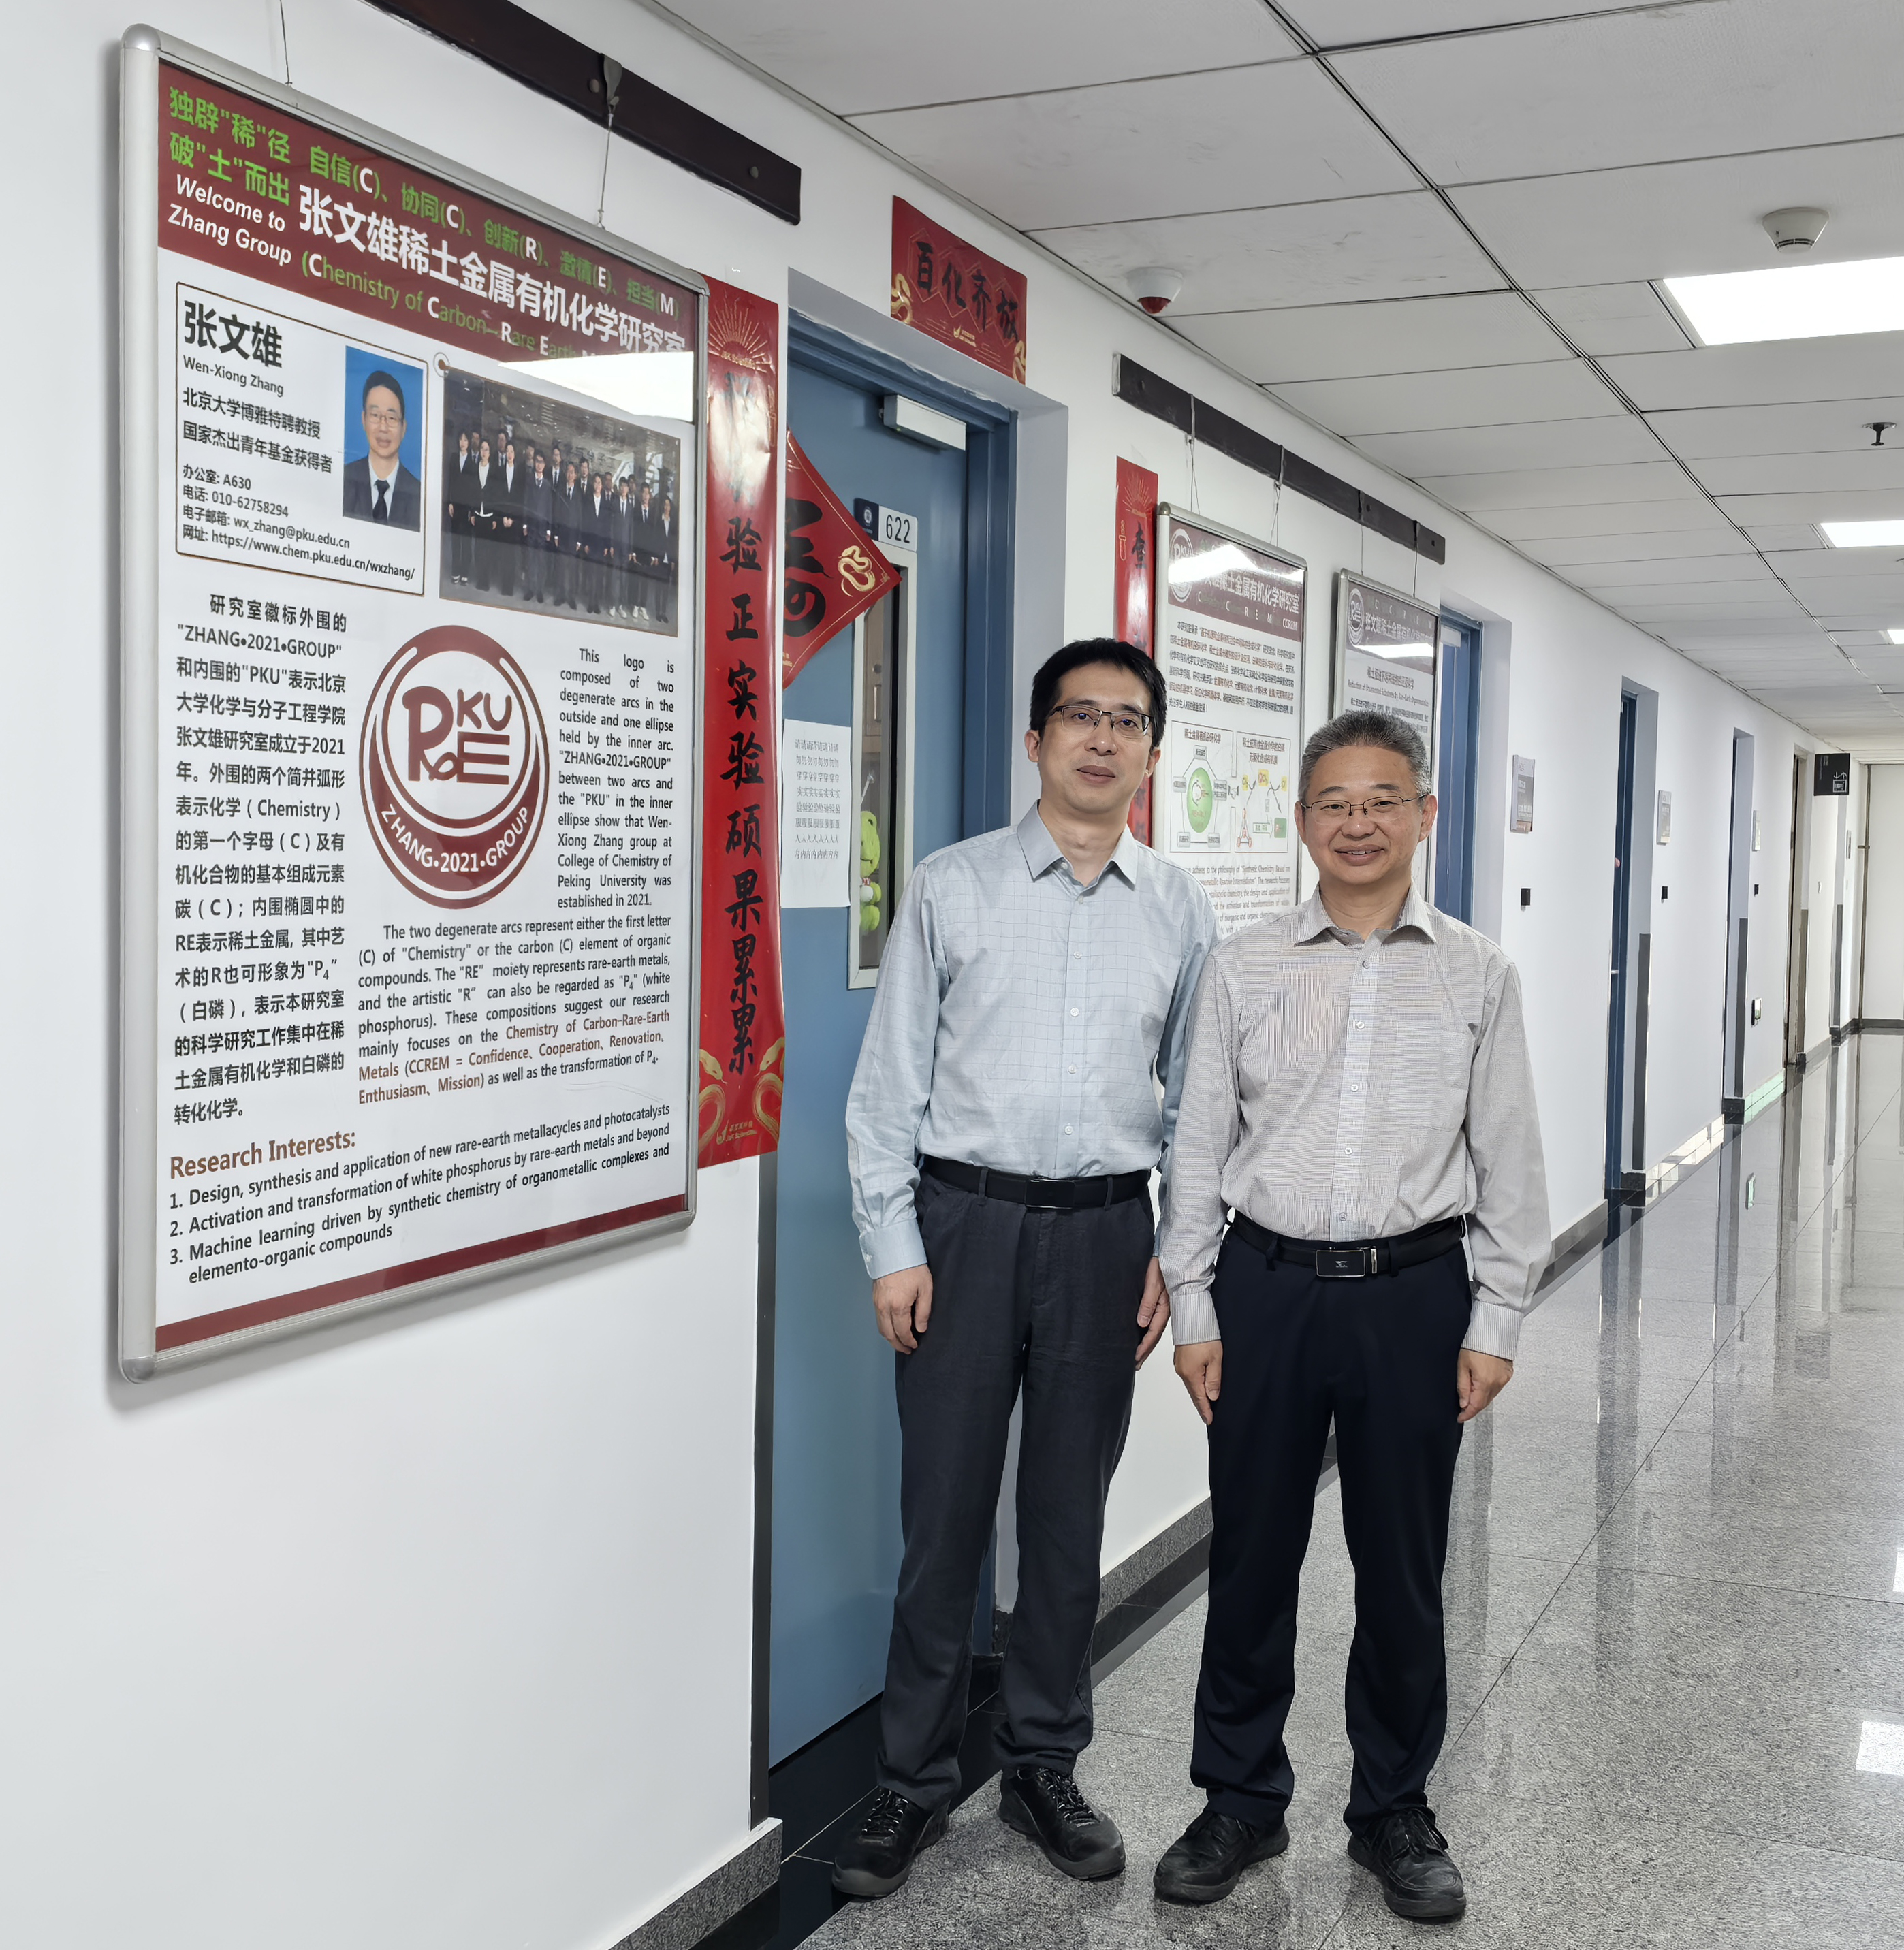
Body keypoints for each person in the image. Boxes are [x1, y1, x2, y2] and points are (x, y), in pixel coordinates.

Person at [834, 640, 1218, 1902]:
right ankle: (911, 1779)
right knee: (943, 1516)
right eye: (1080, 716)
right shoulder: (951, 887)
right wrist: (895, 1245)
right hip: (964, 1228)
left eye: (1128, 721)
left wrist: (1177, 1251)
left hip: (1106, 1236)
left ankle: (1043, 1762)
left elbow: (1196, 1107)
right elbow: (886, 1088)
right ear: (1036, 738)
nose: (1103, 739)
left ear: (1152, 752)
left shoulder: (1179, 908)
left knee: (1065, 1519)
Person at [1152, 708, 1549, 1923]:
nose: (1358, 822)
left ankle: (1393, 1807)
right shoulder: (1244, 965)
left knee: (1403, 1566)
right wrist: (1193, 1302)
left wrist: (1496, 1316)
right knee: (1251, 1556)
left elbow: (1512, 1156)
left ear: (1424, 814)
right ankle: (1239, 1796)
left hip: (1415, 1294)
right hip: (1265, 1288)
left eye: (1383, 800)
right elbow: (1197, 1144)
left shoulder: (1477, 971)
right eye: (1334, 801)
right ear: (1301, 820)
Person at [340, 369, 420, 529]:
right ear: (364, 420)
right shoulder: (343, 480)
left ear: (404, 427)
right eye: (375, 415)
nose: (383, 427)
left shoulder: (419, 495)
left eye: (391, 418)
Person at [520, 449, 553, 604]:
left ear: (545, 465)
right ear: (534, 463)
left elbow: (549, 507)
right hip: (531, 527)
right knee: (530, 560)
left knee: (541, 561)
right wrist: (525, 524)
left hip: (542, 529)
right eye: (537, 462)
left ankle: (540, 590)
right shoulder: (529, 481)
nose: (539, 465)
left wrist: (549, 529)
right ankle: (530, 589)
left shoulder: (547, 485)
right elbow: (525, 502)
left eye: (541, 462)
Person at [468, 437, 501, 591]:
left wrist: (495, 517)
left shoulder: (494, 470)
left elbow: (496, 495)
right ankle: (479, 578)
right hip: (478, 513)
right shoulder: (476, 468)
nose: (484, 452)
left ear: (490, 452)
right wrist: (472, 513)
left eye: (486, 449)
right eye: (482, 449)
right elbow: (473, 491)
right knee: (478, 549)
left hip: (489, 515)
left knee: (487, 550)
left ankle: (485, 580)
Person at [445, 429, 476, 583]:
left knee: (466, 541)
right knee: (456, 540)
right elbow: (450, 480)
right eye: (461, 439)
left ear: (469, 443)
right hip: (455, 505)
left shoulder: (473, 462)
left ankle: (465, 573)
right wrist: (450, 502)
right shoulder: (453, 458)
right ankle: (455, 571)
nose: (462, 443)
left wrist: (472, 510)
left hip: (468, 507)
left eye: (465, 440)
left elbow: (474, 488)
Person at [552, 460, 582, 610]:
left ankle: (571, 597)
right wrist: (556, 535)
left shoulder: (579, 494)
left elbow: (581, 518)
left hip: (574, 537)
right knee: (561, 567)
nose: (570, 474)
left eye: (572, 472)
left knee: (572, 569)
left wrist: (579, 540)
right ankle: (560, 595)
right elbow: (556, 513)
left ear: (576, 475)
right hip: (562, 535)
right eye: (568, 472)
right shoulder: (560, 491)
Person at [494, 438, 522, 598]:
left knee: (512, 555)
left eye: (512, 452)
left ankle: (509, 587)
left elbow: (520, 499)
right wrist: (504, 517)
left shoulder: (520, 473)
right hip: (503, 518)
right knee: (503, 554)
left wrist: (513, 518)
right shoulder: (500, 471)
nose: (510, 454)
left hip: (514, 520)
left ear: (515, 454)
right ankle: (503, 584)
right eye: (507, 452)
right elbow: (499, 496)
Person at [654, 494, 676, 624]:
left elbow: (674, 543)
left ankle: (664, 612)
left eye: (669, 505)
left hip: (669, 559)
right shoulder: (659, 521)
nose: (667, 507)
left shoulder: (673, 523)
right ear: (663, 506)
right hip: (660, 558)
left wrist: (673, 560)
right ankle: (658, 612)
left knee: (666, 588)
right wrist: (656, 557)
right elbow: (656, 540)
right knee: (659, 587)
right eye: (665, 504)